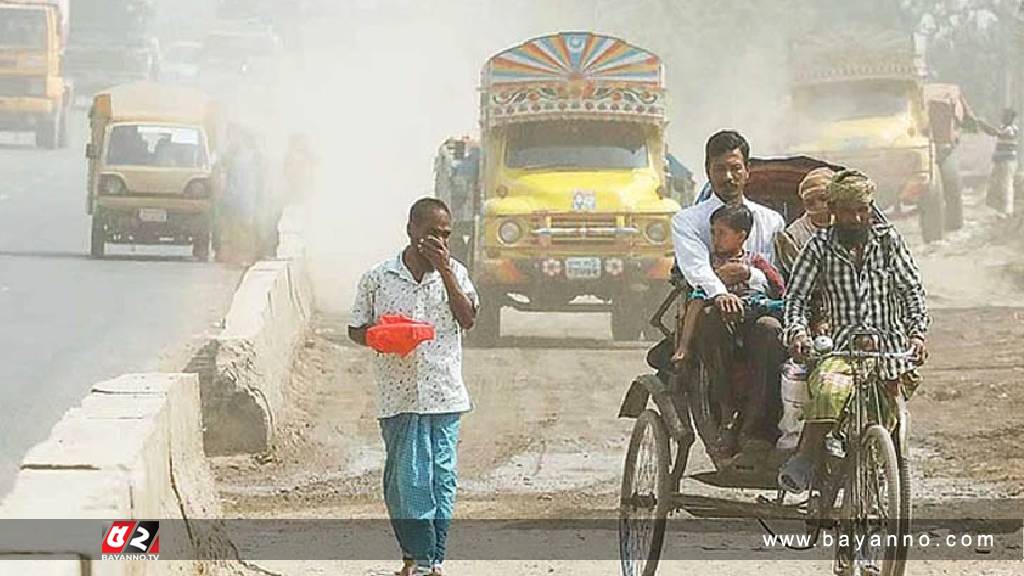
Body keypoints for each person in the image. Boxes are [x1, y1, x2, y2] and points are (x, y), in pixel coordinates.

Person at [348, 198, 479, 576]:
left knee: (441, 478)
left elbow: (468, 318)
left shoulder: (456, 273)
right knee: (406, 481)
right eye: (431, 233)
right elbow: (356, 328)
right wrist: (383, 336)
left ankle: (431, 560)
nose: (438, 241)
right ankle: (415, 554)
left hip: (444, 393)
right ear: (411, 230)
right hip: (399, 395)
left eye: (445, 235)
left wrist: (447, 273)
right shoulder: (379, 277)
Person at [778, 170, 930, 493]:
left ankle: (880, 471)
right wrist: (798, 334)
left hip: (889, 351)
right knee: (831, 390)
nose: (857, 218)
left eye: (863, 209)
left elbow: (911, 290)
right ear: (833, 210)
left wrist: (917, 334)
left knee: (891, 415)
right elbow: (795, 299)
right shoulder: (818, 248)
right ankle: (806, 458)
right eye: (848, 211)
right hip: (840, 349)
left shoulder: (889, 242)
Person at [670, 130, 787, 460]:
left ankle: (757, 429)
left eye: (736, 168)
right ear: (708, 171)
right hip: (712, 308)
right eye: (720, 169)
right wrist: (720, 292)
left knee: (771, 332)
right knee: (713, 321)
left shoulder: (771, 220)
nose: (728, 177)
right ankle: (724, 414)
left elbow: (777, 274)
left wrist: (750, 275)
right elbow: (695, 267)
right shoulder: (688, 220)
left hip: (758, 308)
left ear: (748, 170)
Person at [774, 167, 835, 278]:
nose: (818, 206)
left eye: (823, 198)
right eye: (810, 202)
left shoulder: (848, 222)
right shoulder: (794, 235)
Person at [982, 108, 1018, 214]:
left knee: (1006, 185)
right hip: (1000, 160)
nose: (1002, 118)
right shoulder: (1004, 127)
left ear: (1010, 118)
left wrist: (984, 125)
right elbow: (994, 132)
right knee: (996, 184)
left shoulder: (1012, 129)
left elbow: (997, 133)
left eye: (1005, 116)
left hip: (1008, 161)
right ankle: (998, 209)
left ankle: (1007, 211)